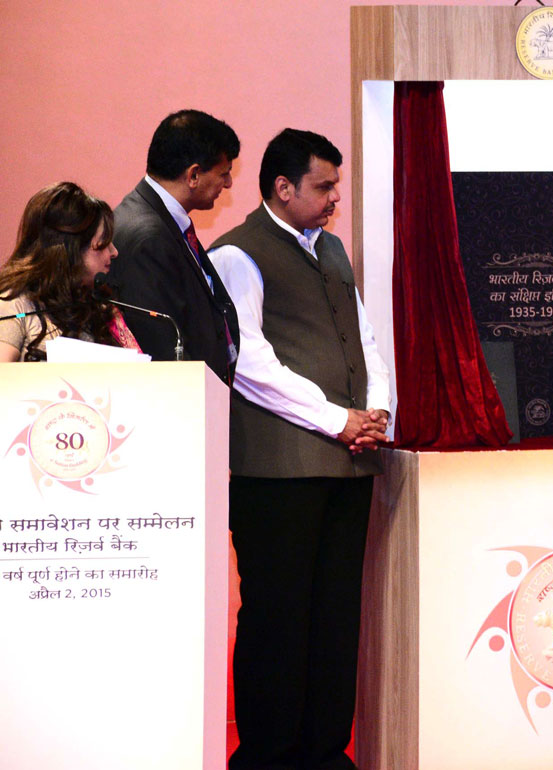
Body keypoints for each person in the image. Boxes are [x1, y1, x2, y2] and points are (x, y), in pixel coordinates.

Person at [209, 128, 391, 770]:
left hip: (347, 465)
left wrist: (378, 411)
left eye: (336, 184)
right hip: (278, 474)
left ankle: (324, 751)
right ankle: (268, 755)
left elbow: (364, 337)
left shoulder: (332, 249)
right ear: (282, 188)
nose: (336, 196)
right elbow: (249, 363)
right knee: (278, 621)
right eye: (324, 185)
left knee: (335, 616)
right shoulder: (238, 255)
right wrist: (335, 418)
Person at [109, 109, 240, 382]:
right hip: (181, 403)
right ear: (193, 175)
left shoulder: (160, 218)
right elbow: (162, 349)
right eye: (224, 174)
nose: (228, 183)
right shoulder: (148, 236)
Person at [0, 182, 140, 362]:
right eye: (103, 243)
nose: (114, 252)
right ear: (71, 250)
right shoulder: (13, 306)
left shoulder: (101, 307)